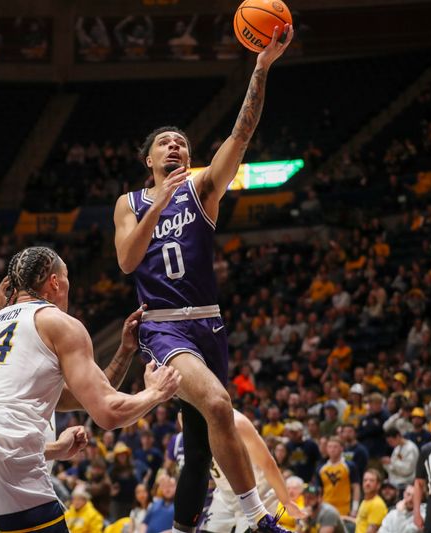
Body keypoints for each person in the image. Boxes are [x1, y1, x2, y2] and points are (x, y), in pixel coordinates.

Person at [113, 23, 295, 533]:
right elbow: (128, 261)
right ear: (148, 160)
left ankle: (182, 529)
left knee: (197, 447)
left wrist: (260, 67)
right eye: (165, 143)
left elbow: (241, 134)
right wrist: (160, 203)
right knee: (218, 403)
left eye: (182, 143)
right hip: (163, 328)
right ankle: (259, 520)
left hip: (208, 325)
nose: (175, 147)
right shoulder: (129, 203)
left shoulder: (204, 189)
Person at [0, 247, 181, 533]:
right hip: (0, 449)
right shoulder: (57, 321)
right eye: (66, 281)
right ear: (54, 282)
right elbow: (108, 414)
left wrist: (125, 351)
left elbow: (77, 398)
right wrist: (156, 392)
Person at [199, 410, 304, 533]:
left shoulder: (238, 424)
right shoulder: (187, 417)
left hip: (257, 494)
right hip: (225, 495)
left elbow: (268, 464)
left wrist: (286, 501)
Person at [316, 437, 359, 518]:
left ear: (341, 448)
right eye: (330, 447)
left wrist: (355, 508)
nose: (332, 449)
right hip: (326, 507)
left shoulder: (349, 466)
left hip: (344, 508)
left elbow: (356, 487)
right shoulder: (321, 468)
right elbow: (319, 490)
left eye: (335, 447)